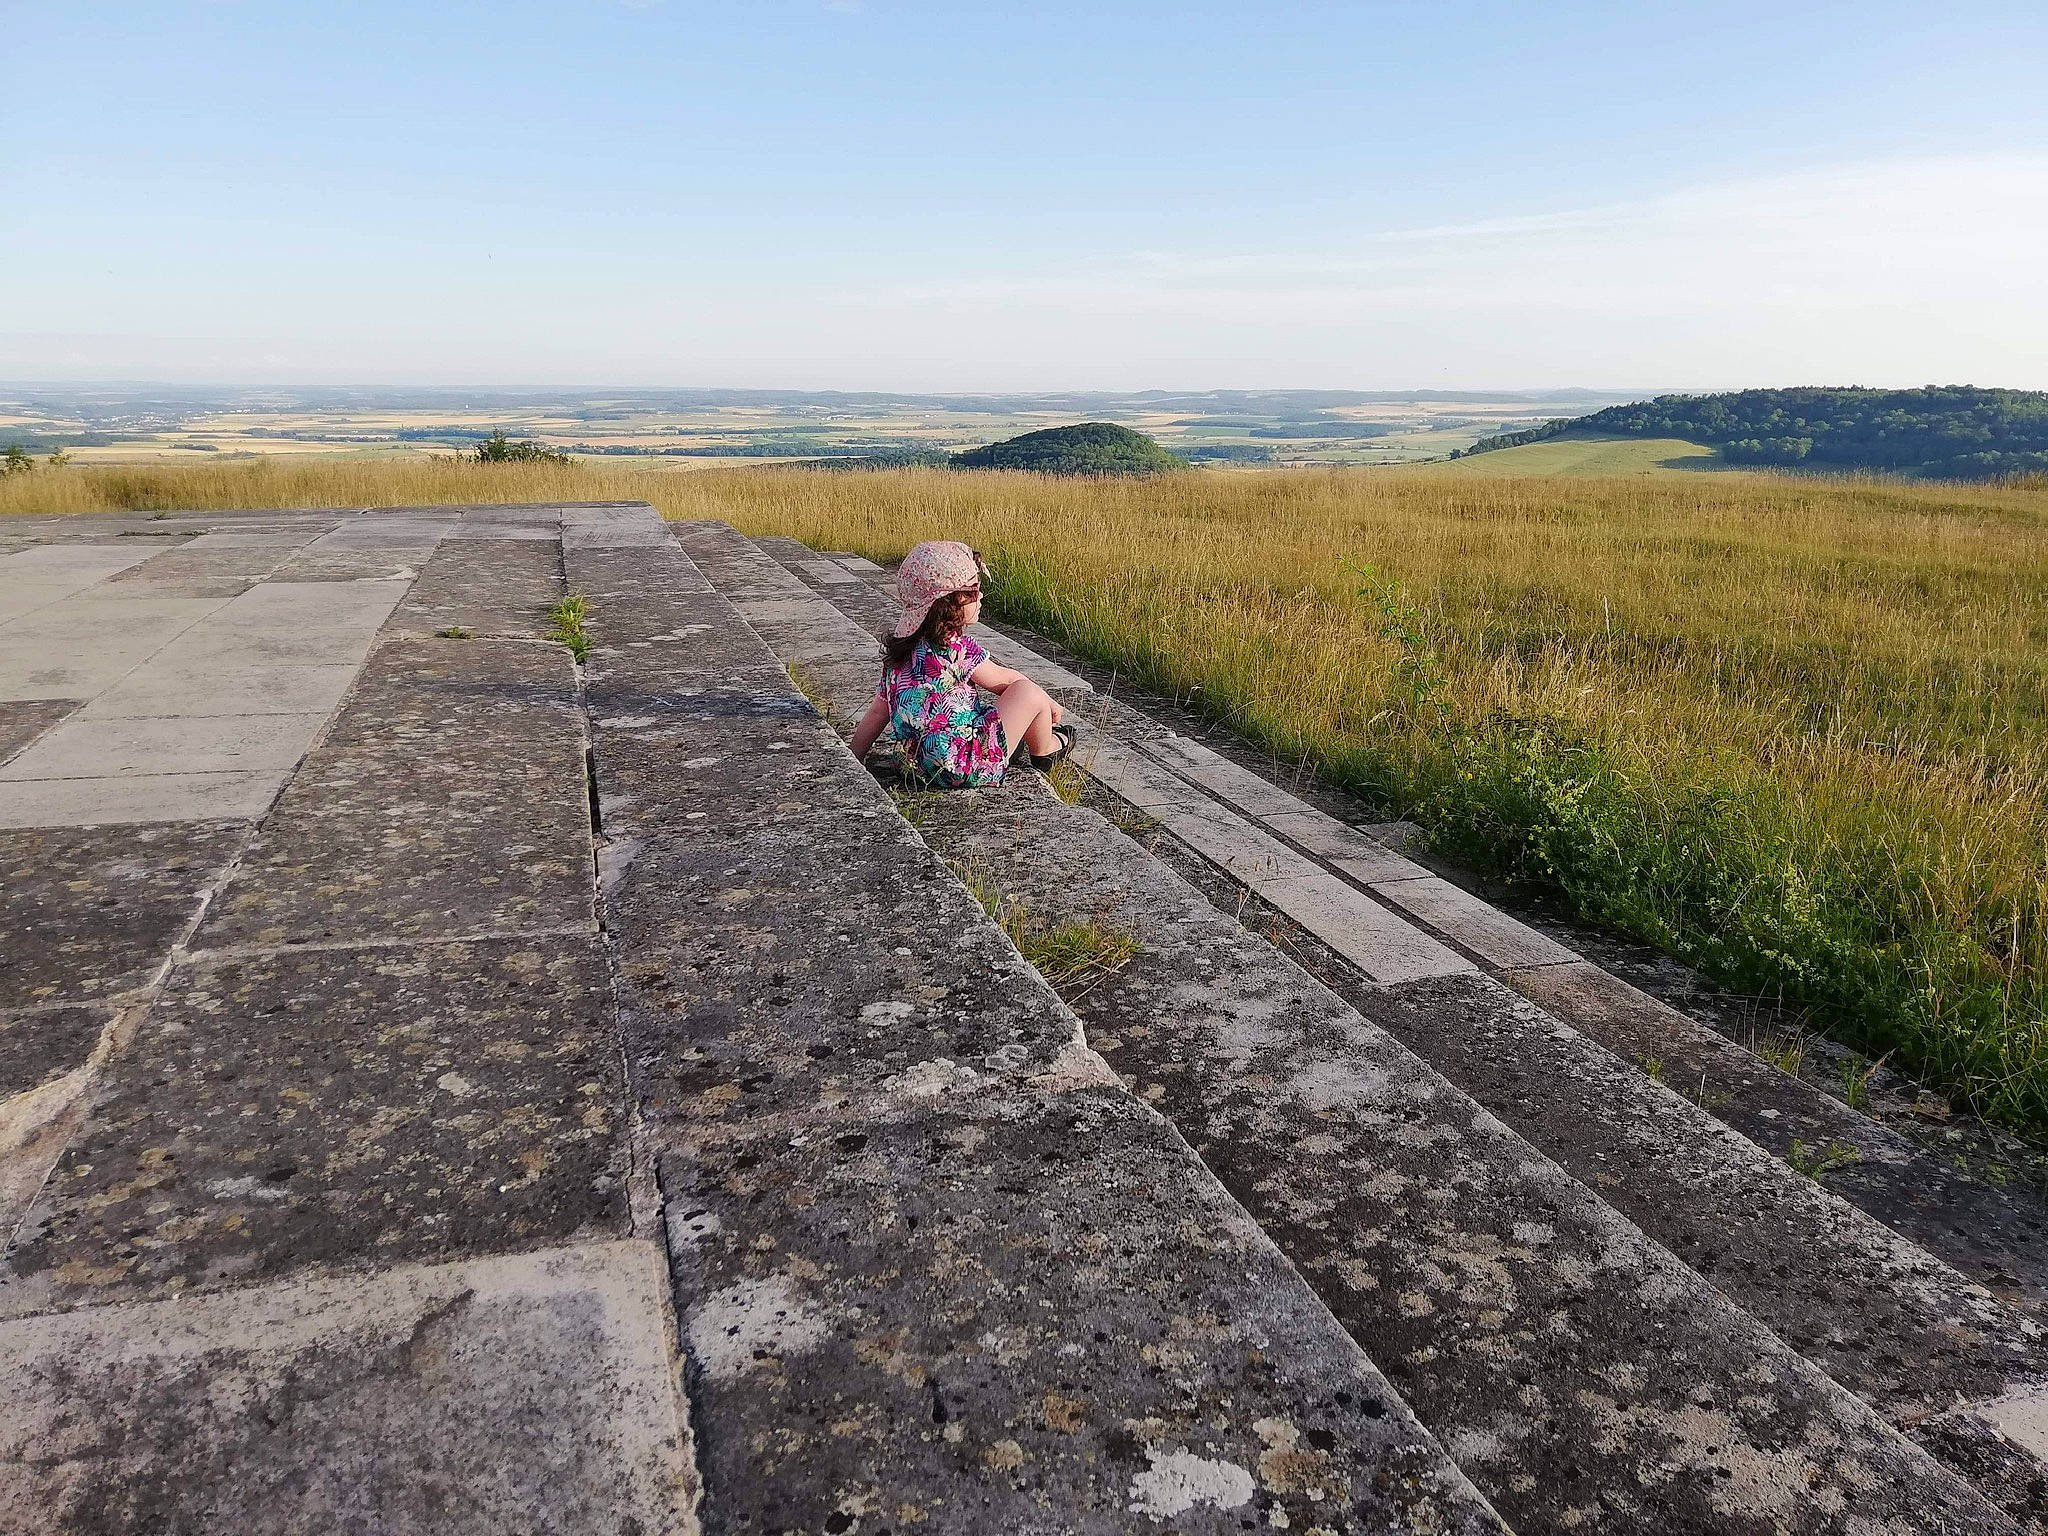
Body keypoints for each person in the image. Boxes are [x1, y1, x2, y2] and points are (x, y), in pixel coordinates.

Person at [847, 540, 1076, 788]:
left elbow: (878, 712)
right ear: (949, 603)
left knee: (981, 711)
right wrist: (1047, 702)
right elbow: (1007, 681)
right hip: (964, 767)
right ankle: (1046, 749)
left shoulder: (899, 654)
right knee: (1027, 691)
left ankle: (1014, 740)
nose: (981, 596)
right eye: (974, 590)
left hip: (915, 765)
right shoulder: (956, 649)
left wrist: (854, 758)